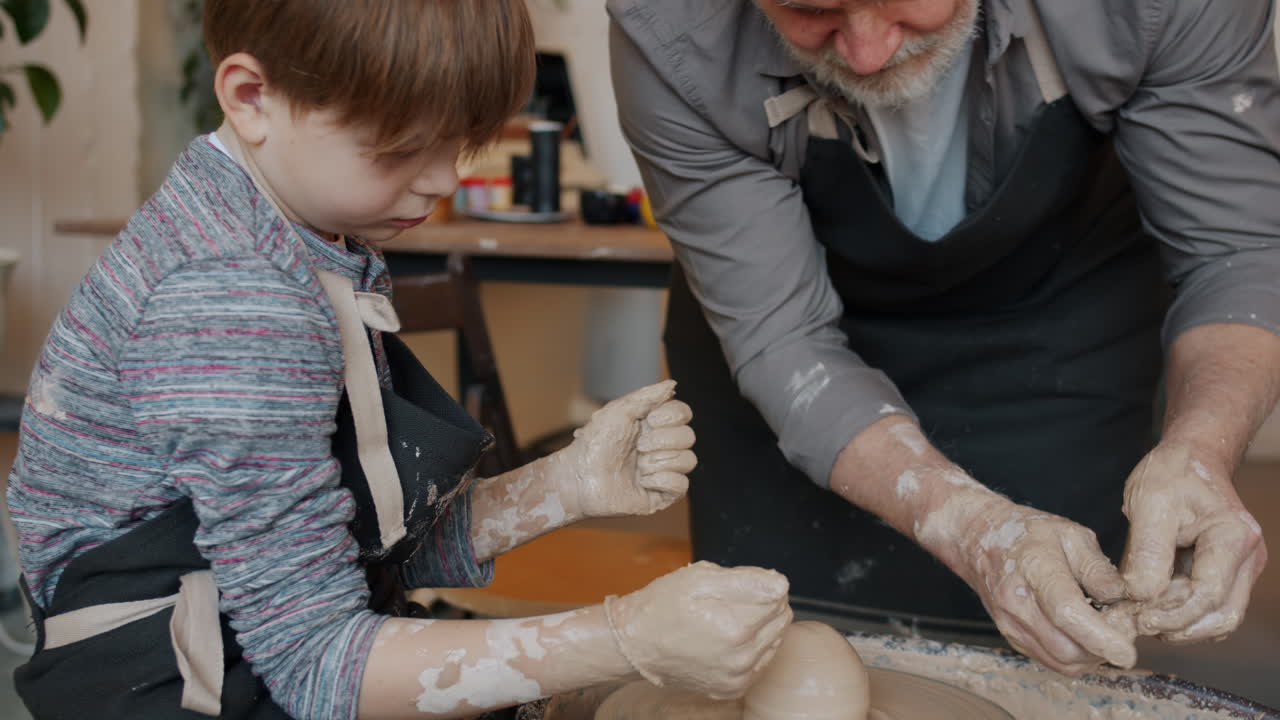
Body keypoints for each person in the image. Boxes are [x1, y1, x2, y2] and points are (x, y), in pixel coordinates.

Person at [5, 2, 794, 718]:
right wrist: (625, 636)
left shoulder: (301, 231)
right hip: (172, 681)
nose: (442, 179)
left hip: (260, 637)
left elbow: (351, 548)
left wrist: (564, 484)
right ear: (251, 99)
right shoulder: (231, 299)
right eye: (401, 148)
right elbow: (320, 668)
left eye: (462, 142)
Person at [608, 0, 1279, 676]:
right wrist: (967, 524)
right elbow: (785, 339)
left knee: (1051, 660)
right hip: (788, 380)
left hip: (1058, 335)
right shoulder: (669, 25)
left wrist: (1201, 449)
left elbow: (1236, 251)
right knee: (771, 665)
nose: (865, 52)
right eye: (812, 9)